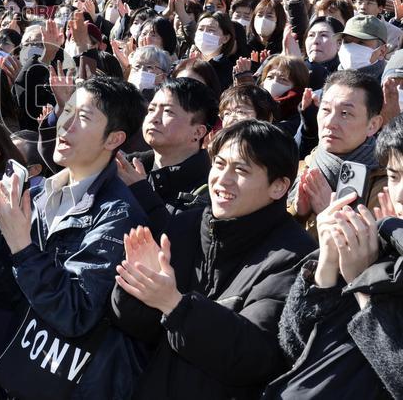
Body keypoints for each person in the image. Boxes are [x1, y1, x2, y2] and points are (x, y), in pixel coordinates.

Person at [0, 77, 148, 398]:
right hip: (25, 370)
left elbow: (76, 314)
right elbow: (6, 291)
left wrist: (21, 246)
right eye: (68, 112)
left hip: (76, 383)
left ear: (114, 139)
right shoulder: (38, 194)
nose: (66, 126)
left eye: (84, 118)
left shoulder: (118, 215)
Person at [111, 120, 315, 398]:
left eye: (241, 170)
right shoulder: (186, 224)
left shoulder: (294, 256)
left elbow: (255, 356)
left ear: (278, 186)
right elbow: (139, 328)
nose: (223, 179)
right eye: (219, 164)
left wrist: (174, 305)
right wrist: (137, 285)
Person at [265, 114, 403, 399]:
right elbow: (294, 345)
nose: (399, 193)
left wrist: (363, 286)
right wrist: (327, 264)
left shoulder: (368, 261)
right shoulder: (375, 244)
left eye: (347, 111)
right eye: (393, 175)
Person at [117, 77, 217, 232]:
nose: (154, 118)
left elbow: (180, 245)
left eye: (168, 111)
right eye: (151, 109)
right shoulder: (126, 167)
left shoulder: (211, 188)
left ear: (198, 132)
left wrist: (141, 192)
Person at [294, 70, 386, 230]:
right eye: (326, 110)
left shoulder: (384, 183)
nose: (329, 122)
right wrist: (299, 213)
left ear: (373, 125)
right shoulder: (307, 164)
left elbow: (375, 251)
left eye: (345, 113)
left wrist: (329, 215)